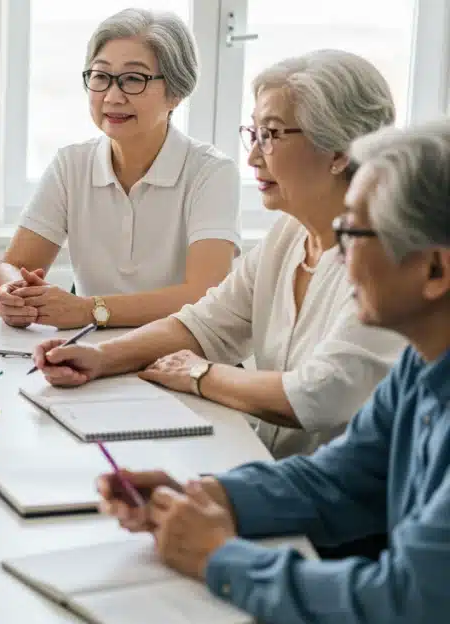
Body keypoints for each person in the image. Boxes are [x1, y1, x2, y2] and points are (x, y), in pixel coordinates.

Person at [95, 117, 450, 624]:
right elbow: (341, 481)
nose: (338, 254)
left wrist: (217, 556)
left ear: (435, 270)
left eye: (352, 234)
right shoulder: (422, 363)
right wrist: (203, 496)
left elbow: (405, 611)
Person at [33, 50, 406, 458]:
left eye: (272, 134)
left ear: (339, 152)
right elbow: (204, 325)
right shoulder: (288, 235)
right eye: (254, 133)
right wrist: (99, 357)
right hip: (271, 466)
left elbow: (317, 396)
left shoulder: (390, 260)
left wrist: (200, 374)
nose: (253, 156)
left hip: (336, 502)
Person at [0, 8, 239, 329]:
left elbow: (204, 294)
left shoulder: (211, 172)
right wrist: (11, 291)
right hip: (89, 352)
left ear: (176, 92)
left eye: (133, 79)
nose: (112, 96)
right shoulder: (71, 164)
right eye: (100, 76)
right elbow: (12, 265)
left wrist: (89, 310)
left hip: (182, 354)